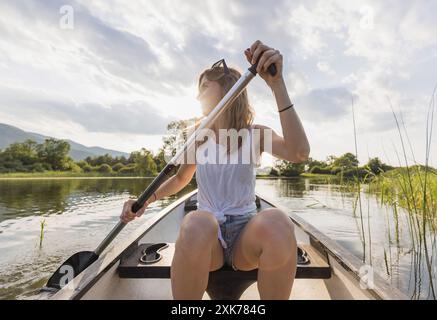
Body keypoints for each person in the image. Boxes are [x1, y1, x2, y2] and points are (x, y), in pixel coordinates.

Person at [120, 40, 310, 300]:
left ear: (226, 89)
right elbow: (180, 179)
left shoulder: (256, 135)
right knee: (196, 221)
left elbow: (299, 153)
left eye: (204, 87)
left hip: (247, 236)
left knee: (278, 221)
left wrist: (277, 85)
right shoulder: (196, 136)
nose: (198, 96)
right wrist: (146, 200)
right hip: (207, 239)